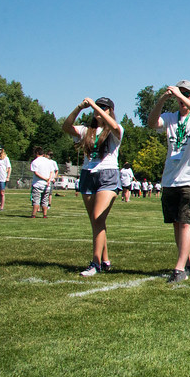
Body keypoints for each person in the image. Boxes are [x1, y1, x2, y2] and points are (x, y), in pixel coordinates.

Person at [149, 80, 190, 284]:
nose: (182, 97)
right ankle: (186, 262)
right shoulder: (169, 118)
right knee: (176, 224)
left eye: (187, 93)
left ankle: (179, 268)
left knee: (186, 223)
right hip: (170, 178)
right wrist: (162, 99)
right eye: (180, 93)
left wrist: (182, 97)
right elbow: (151, 123)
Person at [63, 96, 124, 276]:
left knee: (98, 217)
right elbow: (66, 127)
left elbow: (113, 127)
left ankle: (95, 263)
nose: (100, 111)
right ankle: (105, 260)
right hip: (87, 175)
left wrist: (97, 109)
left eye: (104, 108)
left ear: (110, 111)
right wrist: (79, 107)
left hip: (108, 175)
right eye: (98, 107)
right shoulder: (86, 130)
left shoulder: (116, 130)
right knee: (96, 221)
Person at [29, 147, 56, 218]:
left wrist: (45, 179)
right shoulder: (48, 161)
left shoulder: (35, 161)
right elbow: (52, 171)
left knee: (36, 200)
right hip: (47, 184)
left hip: (37, 184)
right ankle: (45, 215)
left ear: (36, 153)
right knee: (45, 200)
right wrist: (49, 180)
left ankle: (33, 214)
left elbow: (36, 173)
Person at [0, 145, 11, 211]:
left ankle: (2, 206)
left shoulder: (5, 158)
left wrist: (8, 177)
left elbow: (9, 168)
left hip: (2, 177)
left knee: (2, 192)